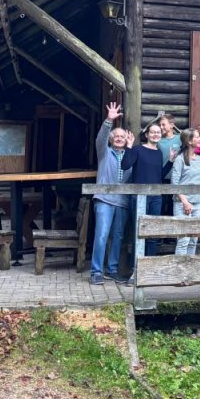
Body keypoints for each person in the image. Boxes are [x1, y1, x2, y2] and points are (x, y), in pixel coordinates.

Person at [90, 102, 133, 285]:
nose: (119, 138)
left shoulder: (130, 156)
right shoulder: (104, 153)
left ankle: (112, 270)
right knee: (101, 235)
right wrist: (109, 120)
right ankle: (96, 271)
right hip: (104, 199)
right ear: (111, 139)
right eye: (116, 136)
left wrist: (130, 147)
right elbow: (100, 138)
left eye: (122, 136)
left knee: (118, 237)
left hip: (122, 201)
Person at [121, 122, 176, 260]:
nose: (155, 134)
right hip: (139, 196)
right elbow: (125, 165)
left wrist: (170, 161)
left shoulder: (158, 153)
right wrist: (128, 146)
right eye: (152, 132)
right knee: (138, 231)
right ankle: (136, 267)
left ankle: (149, 264)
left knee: (152, 232)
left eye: (158, 132)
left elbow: (159, 176)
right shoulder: (138, 149)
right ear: (146, 135)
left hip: (156, 197)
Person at [172, 128, 200, 257]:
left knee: (193, 240)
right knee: (183, 240)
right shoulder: (180, 159)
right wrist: (185, 201)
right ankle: (180, 267)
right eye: (197, 137)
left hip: (197, 203)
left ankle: (189, 267)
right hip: (182, 204)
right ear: (189, 141)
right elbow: (175, 183)